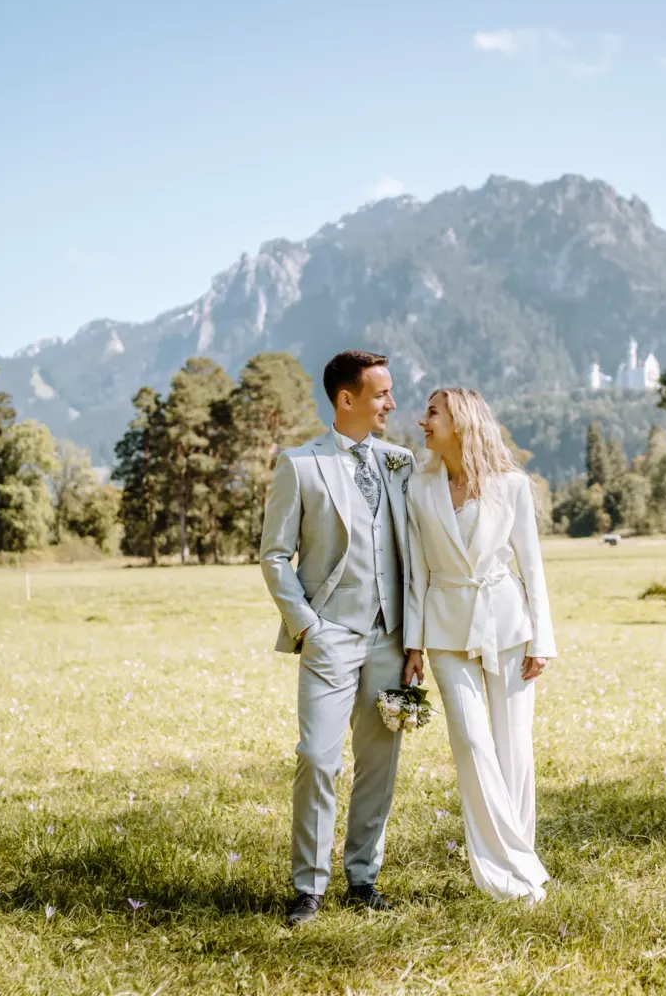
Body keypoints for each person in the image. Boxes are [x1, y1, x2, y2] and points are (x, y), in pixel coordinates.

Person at [259, 349, 418, 927]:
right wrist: (308, 627)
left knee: (380, 761)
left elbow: (416, 555)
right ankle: (309, 886)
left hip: (392, 638)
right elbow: (275, 556)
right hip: (330, 635)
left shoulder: (401, 462)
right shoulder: (299, 465)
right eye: (381, 394)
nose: (391, 404)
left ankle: (363, 878)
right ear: (346, 398)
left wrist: (415, 641)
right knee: (317, 757)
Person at [403, 387, 554, 904]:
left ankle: (516, 867)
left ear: (461, 421)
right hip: (444, 628)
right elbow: (417, 571)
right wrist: (413, 645)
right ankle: (511, 868)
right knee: (471, 744)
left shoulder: (510, 485)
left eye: (431, 413)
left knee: (514, 747)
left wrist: (543, 639)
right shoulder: (418, 487)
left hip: (510, 627)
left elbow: (531, 566)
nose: (422, 421)